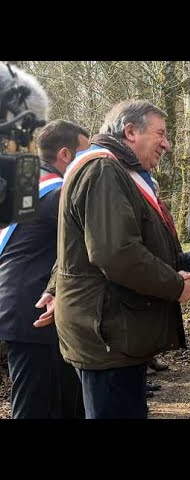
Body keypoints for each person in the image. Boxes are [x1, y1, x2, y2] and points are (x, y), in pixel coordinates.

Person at [37, 100, 190, 419]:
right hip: (108, 335)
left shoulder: (114, 170)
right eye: (161, 133)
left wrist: (58, 288)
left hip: (112, 331)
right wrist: (175, 285)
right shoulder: (103, 170)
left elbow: (79, 249)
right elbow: (116, 252)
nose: (167, 143)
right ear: (130, 131)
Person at [0, 120, 88, 419]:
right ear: (65, 154)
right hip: (37, 313)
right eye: (85, 154)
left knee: (57, 400)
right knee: (35, 407)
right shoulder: (59, 194)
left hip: (18, 307)